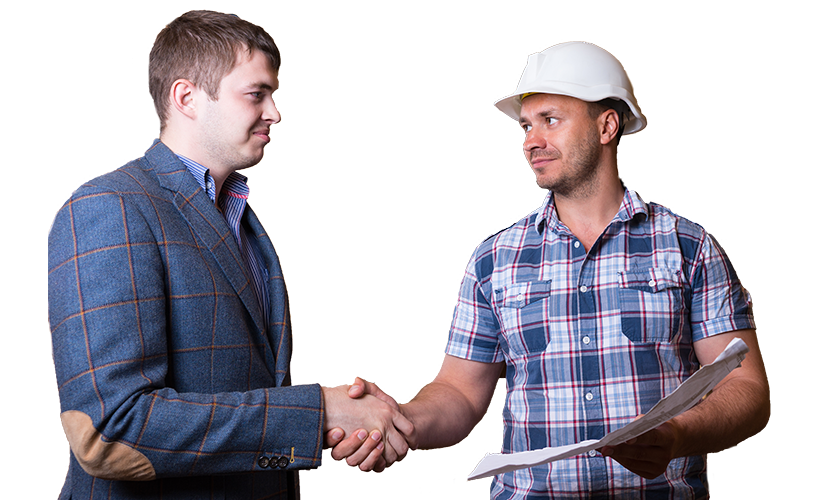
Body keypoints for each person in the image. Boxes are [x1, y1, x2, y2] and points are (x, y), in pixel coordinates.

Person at [333, 41, 771, 499]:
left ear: (607, 126)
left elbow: (747, 389)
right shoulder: (493, 259)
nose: (531, 142)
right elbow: (460, 395)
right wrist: (400, 422)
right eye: (526, 125)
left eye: (551, 120)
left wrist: (680, 434)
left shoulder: (689, 246)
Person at [48, 10, 407, 499]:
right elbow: (109, 430)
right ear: (186, 97)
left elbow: (245, 390)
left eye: (274, 96)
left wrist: (328, 422)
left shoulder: (242, 222)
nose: (275, 113)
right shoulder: (108, 208)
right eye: (256, 94)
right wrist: (318, 411)